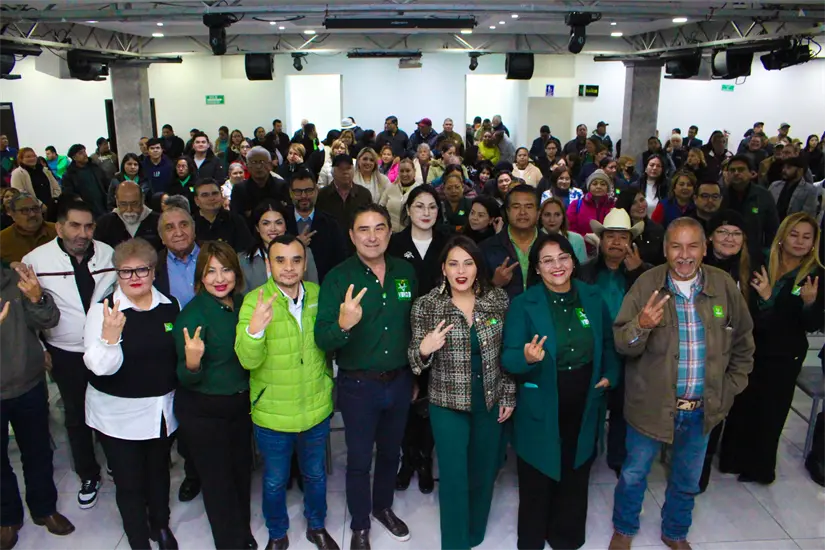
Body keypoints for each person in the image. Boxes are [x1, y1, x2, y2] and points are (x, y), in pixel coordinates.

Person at [608, 217, 755, 550]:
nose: (684, 255)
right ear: (665, 250)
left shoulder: (723, 286)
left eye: (692, 246)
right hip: (650, 407)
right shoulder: (646, 284)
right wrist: (642, 325)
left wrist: (730, 387)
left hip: (702, 409)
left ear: (705, 249)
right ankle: (624, 527)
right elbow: (621, 342)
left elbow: (744, 341)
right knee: (633, 474)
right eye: (676, 246)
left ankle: (675, 532)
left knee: (687, 479)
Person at [503, 232, 618, 550]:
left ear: (573, 260)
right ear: (537, 268)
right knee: (538, 470)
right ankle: (533, 537)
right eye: (548, 260)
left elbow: (607, 344)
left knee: (576, 466)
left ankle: (566, 536)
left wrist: (610, 374)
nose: (557, 266)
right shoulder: (524, 304)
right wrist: (526, 358)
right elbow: (509, 357)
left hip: (585, 398)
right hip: (542, 401)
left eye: (563, 257)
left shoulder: (591, 297)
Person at [315, 204, 417, 550]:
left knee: (391, 453)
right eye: (363, 229)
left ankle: (382, 507)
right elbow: (322, 337)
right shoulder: (338, 277)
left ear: (390, 232)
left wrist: (416, 374)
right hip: (359, 385)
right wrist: (343, 325)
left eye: (379, 228)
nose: (372, 236)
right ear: (351, 235)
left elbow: (414, 326)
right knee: (359, 460)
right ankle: (359, 524)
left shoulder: (406, 272)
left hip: (400, 380)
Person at [408, 235, 513, 550]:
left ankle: (475, 532)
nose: (461, 270)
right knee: (454, 476)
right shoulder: (427, 305)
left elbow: (506, 354)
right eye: (453, 263)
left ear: (478, 266)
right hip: (447, 404)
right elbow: (414, 359)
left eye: (468, 262)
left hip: (489, 399)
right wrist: (424, 350)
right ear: (443, 268)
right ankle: (455, 543)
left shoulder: (496, 300)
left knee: (483, 470)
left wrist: (507, 394)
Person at [235, 234, 339, 550]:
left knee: (316, 476)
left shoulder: (320, 295)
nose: (289, 267)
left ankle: (316, 526)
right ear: (269, 264)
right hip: (273, 414)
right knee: (274, 481)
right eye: (280, 260)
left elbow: (330, 344)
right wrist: (255, 330)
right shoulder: (255, 301)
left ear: (305, 263)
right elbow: (246, 359)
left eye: (296, 259)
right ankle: (278, 533)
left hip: (315, 407)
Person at [82, 238, 179, 550]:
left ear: (154, 271)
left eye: (142, 269)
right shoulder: (103, 311)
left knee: (158, 473)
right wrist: (110, 339)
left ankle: (160, 525)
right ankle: (138, 538)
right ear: (116, 274)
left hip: (160, 413)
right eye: (126, 271)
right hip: (117, 417)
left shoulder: (170, 306)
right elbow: (97, 368)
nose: (135, 277)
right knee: (129, 482)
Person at [20, 201, 117, 511]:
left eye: (89, 226)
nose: (83, 233)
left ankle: (116, 462)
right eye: (75, 226)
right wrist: (42, 349)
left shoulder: (108, 254)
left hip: (105, 346)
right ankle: (88, 473)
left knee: (110, 409)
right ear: (59, 227)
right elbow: (30, 311)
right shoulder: (36, 260)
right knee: (76, 415)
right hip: (65, 351)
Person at [719, 212, 824, 486]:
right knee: (742, 403)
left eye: (806, 237)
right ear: (782, 236)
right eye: (794, 234)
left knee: (771, 411)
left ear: (814, 242)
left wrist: (809, 304)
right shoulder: (760, 261)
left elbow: (810, 325)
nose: (800, 242)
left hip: (785, 354)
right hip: (752, 346)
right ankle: (732, 459)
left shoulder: (816, 274)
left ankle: (759, 469)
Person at [173, 241, 255, 550]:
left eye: (226, 270)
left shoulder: (244, 304)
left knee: (240, 473)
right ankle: (229, 543)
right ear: (200, 277)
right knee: (218, 482)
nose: (219, 278)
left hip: (240, 405)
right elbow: (184, 375)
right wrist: (193, 362)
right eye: (211, 272)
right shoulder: (193, 315)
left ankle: (242, 533)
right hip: (205, 410)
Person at [0, 263, 74, 549]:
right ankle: (7, 518)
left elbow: (49, 320)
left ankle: (45, 509)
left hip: (28, 384)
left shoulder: (17, 278)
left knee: (38, 451)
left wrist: (35, 297)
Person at [387, 185, 449, 494]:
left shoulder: (448, 243)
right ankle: (406, 458)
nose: (426, 213)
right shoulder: (394, 244)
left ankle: (425, 458)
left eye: (432, 207)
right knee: (405, 400)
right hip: (402, 333)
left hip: (441, 335)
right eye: (419, 206)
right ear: (408, 209)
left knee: (432, 399)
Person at [580, 209, 649, 476]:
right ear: (601, 240)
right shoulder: (584, 272)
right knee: (590, 403)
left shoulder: (644, 273)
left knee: (623, 407)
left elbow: (651, 306)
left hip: (629, 349)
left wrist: (636, 274)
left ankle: (618, 457)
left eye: (623, 237)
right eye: (611, 236)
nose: (617, 242)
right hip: (593, 347)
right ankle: (587, 452)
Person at [696, 209, 756, 491]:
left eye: (736, 233)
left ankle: (703, 468)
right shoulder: (695, 265)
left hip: (728, 357)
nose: (729, 239)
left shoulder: (751, 271)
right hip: (696, 351)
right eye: (723, 232)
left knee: (715, 414)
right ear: (710, 236)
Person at [240, 199, 319, 292]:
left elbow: (314, 290)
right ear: (257, 227)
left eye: (278, 223)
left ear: (285, 225)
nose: (273, 228)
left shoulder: (305, 252)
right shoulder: (243, 260)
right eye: (266, 223)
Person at [284, 169, 347, 283]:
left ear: (316, 191)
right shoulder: (281, 220)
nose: (304, 196)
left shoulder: (331, 223)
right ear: (290, 193)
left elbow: (340, 262)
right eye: (298, 191)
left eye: (309, 191)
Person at [481, 184, 539, 300]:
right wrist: (495, 284)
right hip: (503, 316)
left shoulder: (555, 246)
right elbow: (474, 296)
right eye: (516, 206)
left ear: (539, 212)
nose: (522, 212)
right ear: (507, 211)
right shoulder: (486, 248)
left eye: (529, 206)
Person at [721, 155, 780, 257]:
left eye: (741, 169)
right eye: (732, 170)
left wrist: (768, 252)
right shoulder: (721, 195)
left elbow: (773, 228)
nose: (736, 173)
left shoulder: (763, 195)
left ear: (751, 173)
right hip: (725, 252)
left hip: (755, 254)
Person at [95, 181, 162, 251]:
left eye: (134, 203)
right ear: (116, 201)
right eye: (123, 204)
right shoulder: (104, 224)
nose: (129, 209)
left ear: (143, 199)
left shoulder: (159, 221)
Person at [315, 154, 373, 234]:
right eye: (340, 169)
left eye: (348, 168)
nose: (345, 172)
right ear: (332, 172)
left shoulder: (364, 194)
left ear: (353, 170)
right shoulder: (322, 195)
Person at [230, 147, 290, 222]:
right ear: (247, 166)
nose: (258, 167)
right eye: (254, 162)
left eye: (262, 162)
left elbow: (288, 215)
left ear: (270, 165)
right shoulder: (239, 189)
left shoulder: (281, 186)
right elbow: (236, 219)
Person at [193, 178, 253, 252]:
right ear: (197, 200)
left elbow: (246, 251)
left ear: (221, 195)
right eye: (205, 195)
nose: (211, 198)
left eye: (215, 193)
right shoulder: (190, 223)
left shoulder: (236, 220)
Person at [0, 193, 57, 265]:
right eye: (25, 210)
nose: (32, 214)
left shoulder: (59, 231)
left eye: (35, 209)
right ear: (12, 214)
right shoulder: (3, 239)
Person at [615, 186, 665, 266]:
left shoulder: (657, 229)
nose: (640, 205)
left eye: (642, 200)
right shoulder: (618, 231)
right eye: (634, 203)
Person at [567, 170, 615, 255]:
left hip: (607, 253)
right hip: (581, 252)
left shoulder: (613, 206)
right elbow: (569, 230)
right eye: (595, 183)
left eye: (603, 184)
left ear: (607, 188)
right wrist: (584, 237)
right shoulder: (576, 205)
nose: (599, 186)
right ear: (589, 186)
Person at [10, 147, 60, 219]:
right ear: (21, 159)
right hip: (32, 210)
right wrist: (40, 205)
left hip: (52, 208)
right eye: (28, 157)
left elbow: (56, 187)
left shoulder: (44, 170)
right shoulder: (17, 173)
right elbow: (19, 192)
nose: (32, 158)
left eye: (34, 156)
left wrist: (54, 202)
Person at [62, 144, 109, 218]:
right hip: (86, 212)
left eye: (84, 151)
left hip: (103, 208)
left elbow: (106, 184)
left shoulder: (95, 168)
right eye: (80, 153)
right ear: (74, 157)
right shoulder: (69, 175)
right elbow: (69, 194)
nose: (85, 154)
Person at [538, 196, 587, 263]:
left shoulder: (577, 240)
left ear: (563, 217)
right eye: (547, 215)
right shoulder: (532, 239)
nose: (552, 219)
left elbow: (582, 270)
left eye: (557, 215)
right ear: (540, 217)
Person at [380, 158, 421, 232]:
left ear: (414, 171)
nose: (404, 174)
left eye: (408, 171)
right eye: (402, 171)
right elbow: (381, 206)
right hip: (390, 233)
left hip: (411, 234)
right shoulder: (391, 188)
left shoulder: (420, 190)